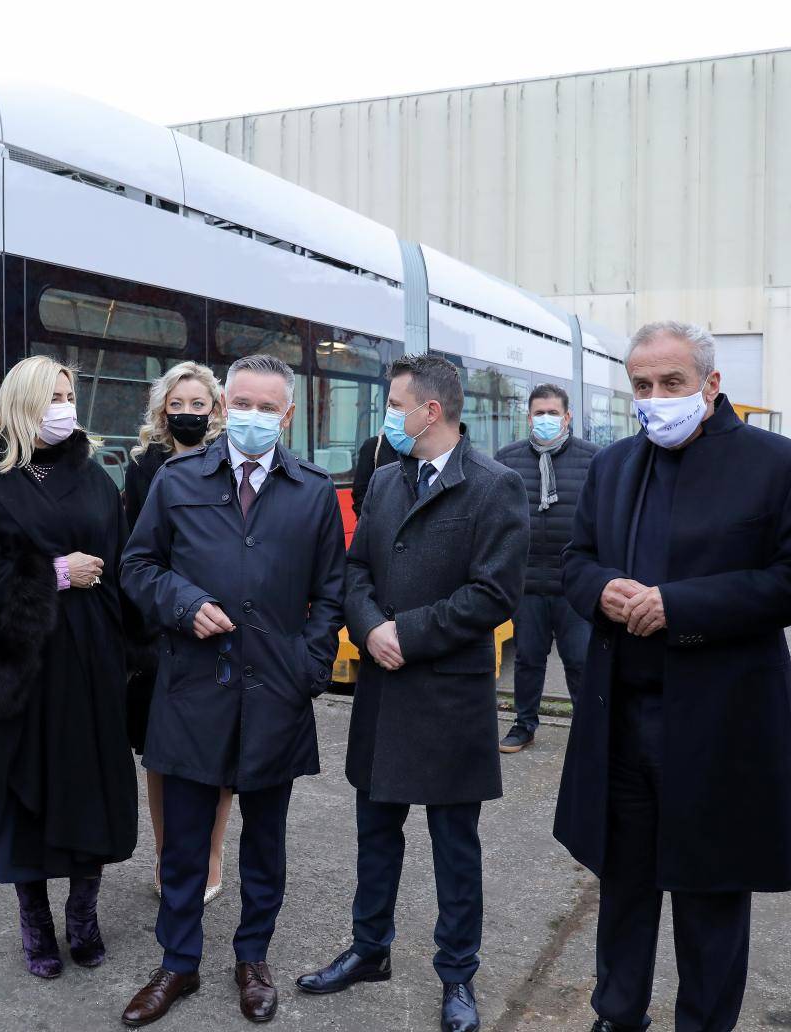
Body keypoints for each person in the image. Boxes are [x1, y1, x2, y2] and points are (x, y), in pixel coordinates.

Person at [555, 321, 791, 1032]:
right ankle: (617, 1014)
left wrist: (678, 607)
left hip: (720, 724)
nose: (655, 398)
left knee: (711, 898)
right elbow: (576, 559)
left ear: (711, 384)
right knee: (622, 888)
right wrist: (602, 590)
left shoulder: (783, 467)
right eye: (641, 385)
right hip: (622, 719)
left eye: (671, 383)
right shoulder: (615, 465)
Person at [298, 354, 527, 1032]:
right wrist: (369, 629)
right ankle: (371, 950)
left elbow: (493, 592)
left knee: (455, 845)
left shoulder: (494, 486)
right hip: (384, 690)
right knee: (375, 833)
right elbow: (357, 568)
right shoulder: (387, 482)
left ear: (431, 411)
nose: (387, 417)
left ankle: (458, 975)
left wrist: (409, 633)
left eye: (395, 404)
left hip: (449, 695)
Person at [119, 353, 346, 1027]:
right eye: (239, 403)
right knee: (184, 843)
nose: (250, 416)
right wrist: (182, 601)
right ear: (224, 410)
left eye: (265, 407)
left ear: (289, 415)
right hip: (193, 690)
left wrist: (308, 669)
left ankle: (253, 958)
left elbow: (330, 594)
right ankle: (177, 964)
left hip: (276, 695)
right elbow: (137, 566)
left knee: (265, 844)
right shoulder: (179, 479)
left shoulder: (311, 492)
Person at [0, 355, 138, 980]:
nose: (65, 409)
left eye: (69, 395)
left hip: (88, 660)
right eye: (52, 397)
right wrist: (53, 574)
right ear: (23, 405)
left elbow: (119, 565)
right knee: (23, 794)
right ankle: (35, 922)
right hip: (22, 665)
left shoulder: (95, 478)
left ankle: (83, 914)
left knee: (91, 789)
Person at [121, 361, 234, 904]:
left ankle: (211, 852)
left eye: (198, 404)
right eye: (177, 403)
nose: (187, 413)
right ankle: (168, 853)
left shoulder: (229, 461)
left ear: (215, 409)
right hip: (157, 631)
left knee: (218, 757)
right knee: (160, 755)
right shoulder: (144, 464)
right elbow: (135, 550)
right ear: (161, 407)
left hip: (218, 625)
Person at [493, 383, 600, 750]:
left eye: (553, 413)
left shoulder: (593, 459)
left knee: (581, 661)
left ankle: (591, 729)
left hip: (575, 584)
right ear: (528, 418)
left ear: (568, 417)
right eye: (539, 413)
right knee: (528, 660)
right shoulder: (507, 459)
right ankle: (524, 725)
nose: (546, 419)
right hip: (527, 584)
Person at [349, 431, 396, 517]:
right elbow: (360, 491)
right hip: (379, 523)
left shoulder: (418, 449)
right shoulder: (374, 445)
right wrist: (368, 523)